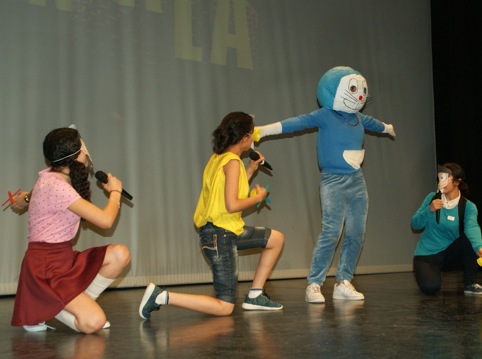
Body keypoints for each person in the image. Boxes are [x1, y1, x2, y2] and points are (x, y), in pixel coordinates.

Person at [254, 66, 395, 303]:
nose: (360, 95)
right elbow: (295, 123)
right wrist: (262, 131)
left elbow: (376, 124)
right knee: (331, 232)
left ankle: (344, 281)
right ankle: (314, 284)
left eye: (362, 90)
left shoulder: (358, 118)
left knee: (356, 233)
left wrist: (388, 128)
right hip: (333, 181)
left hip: (357, 181)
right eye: (353, 89)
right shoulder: (326, 115)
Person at [139, 112, 284, 318]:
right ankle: (161, 296)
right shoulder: (232, 162)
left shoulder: (218, 159)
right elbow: (232, 204)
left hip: (226, 231)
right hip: (220, 236)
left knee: (275, 239)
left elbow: (230, 190)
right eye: (251, 134)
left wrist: (251, 169)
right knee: (225, 306)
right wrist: (258, 198)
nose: (253, 138)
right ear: (244, 138)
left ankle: (255, 295)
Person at [11, 127, 130, 334]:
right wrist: (115, 193)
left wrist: (26, 198)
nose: (86, 153)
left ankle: (76, 304)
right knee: (94, 322)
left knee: (120, 254)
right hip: (46, 267)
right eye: (82, 149)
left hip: (63, 259)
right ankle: (51, 304)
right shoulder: (58, 186)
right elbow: (105, 221)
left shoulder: (53, 177)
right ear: (75, 156)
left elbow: (41, 194)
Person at [411, 163, 482, 295]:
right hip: (427, 254)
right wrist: (429, 210)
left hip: (449, 253)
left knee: (469, 241)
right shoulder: (432, 198)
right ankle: (431, 274)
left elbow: (472, 227)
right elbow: (415, 224)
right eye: (439, 177)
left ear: (457, 182)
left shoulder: (468, 206)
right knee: (430, 288)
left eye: (445, 177)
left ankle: (470, 283)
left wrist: (480, 248)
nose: (440, 181)